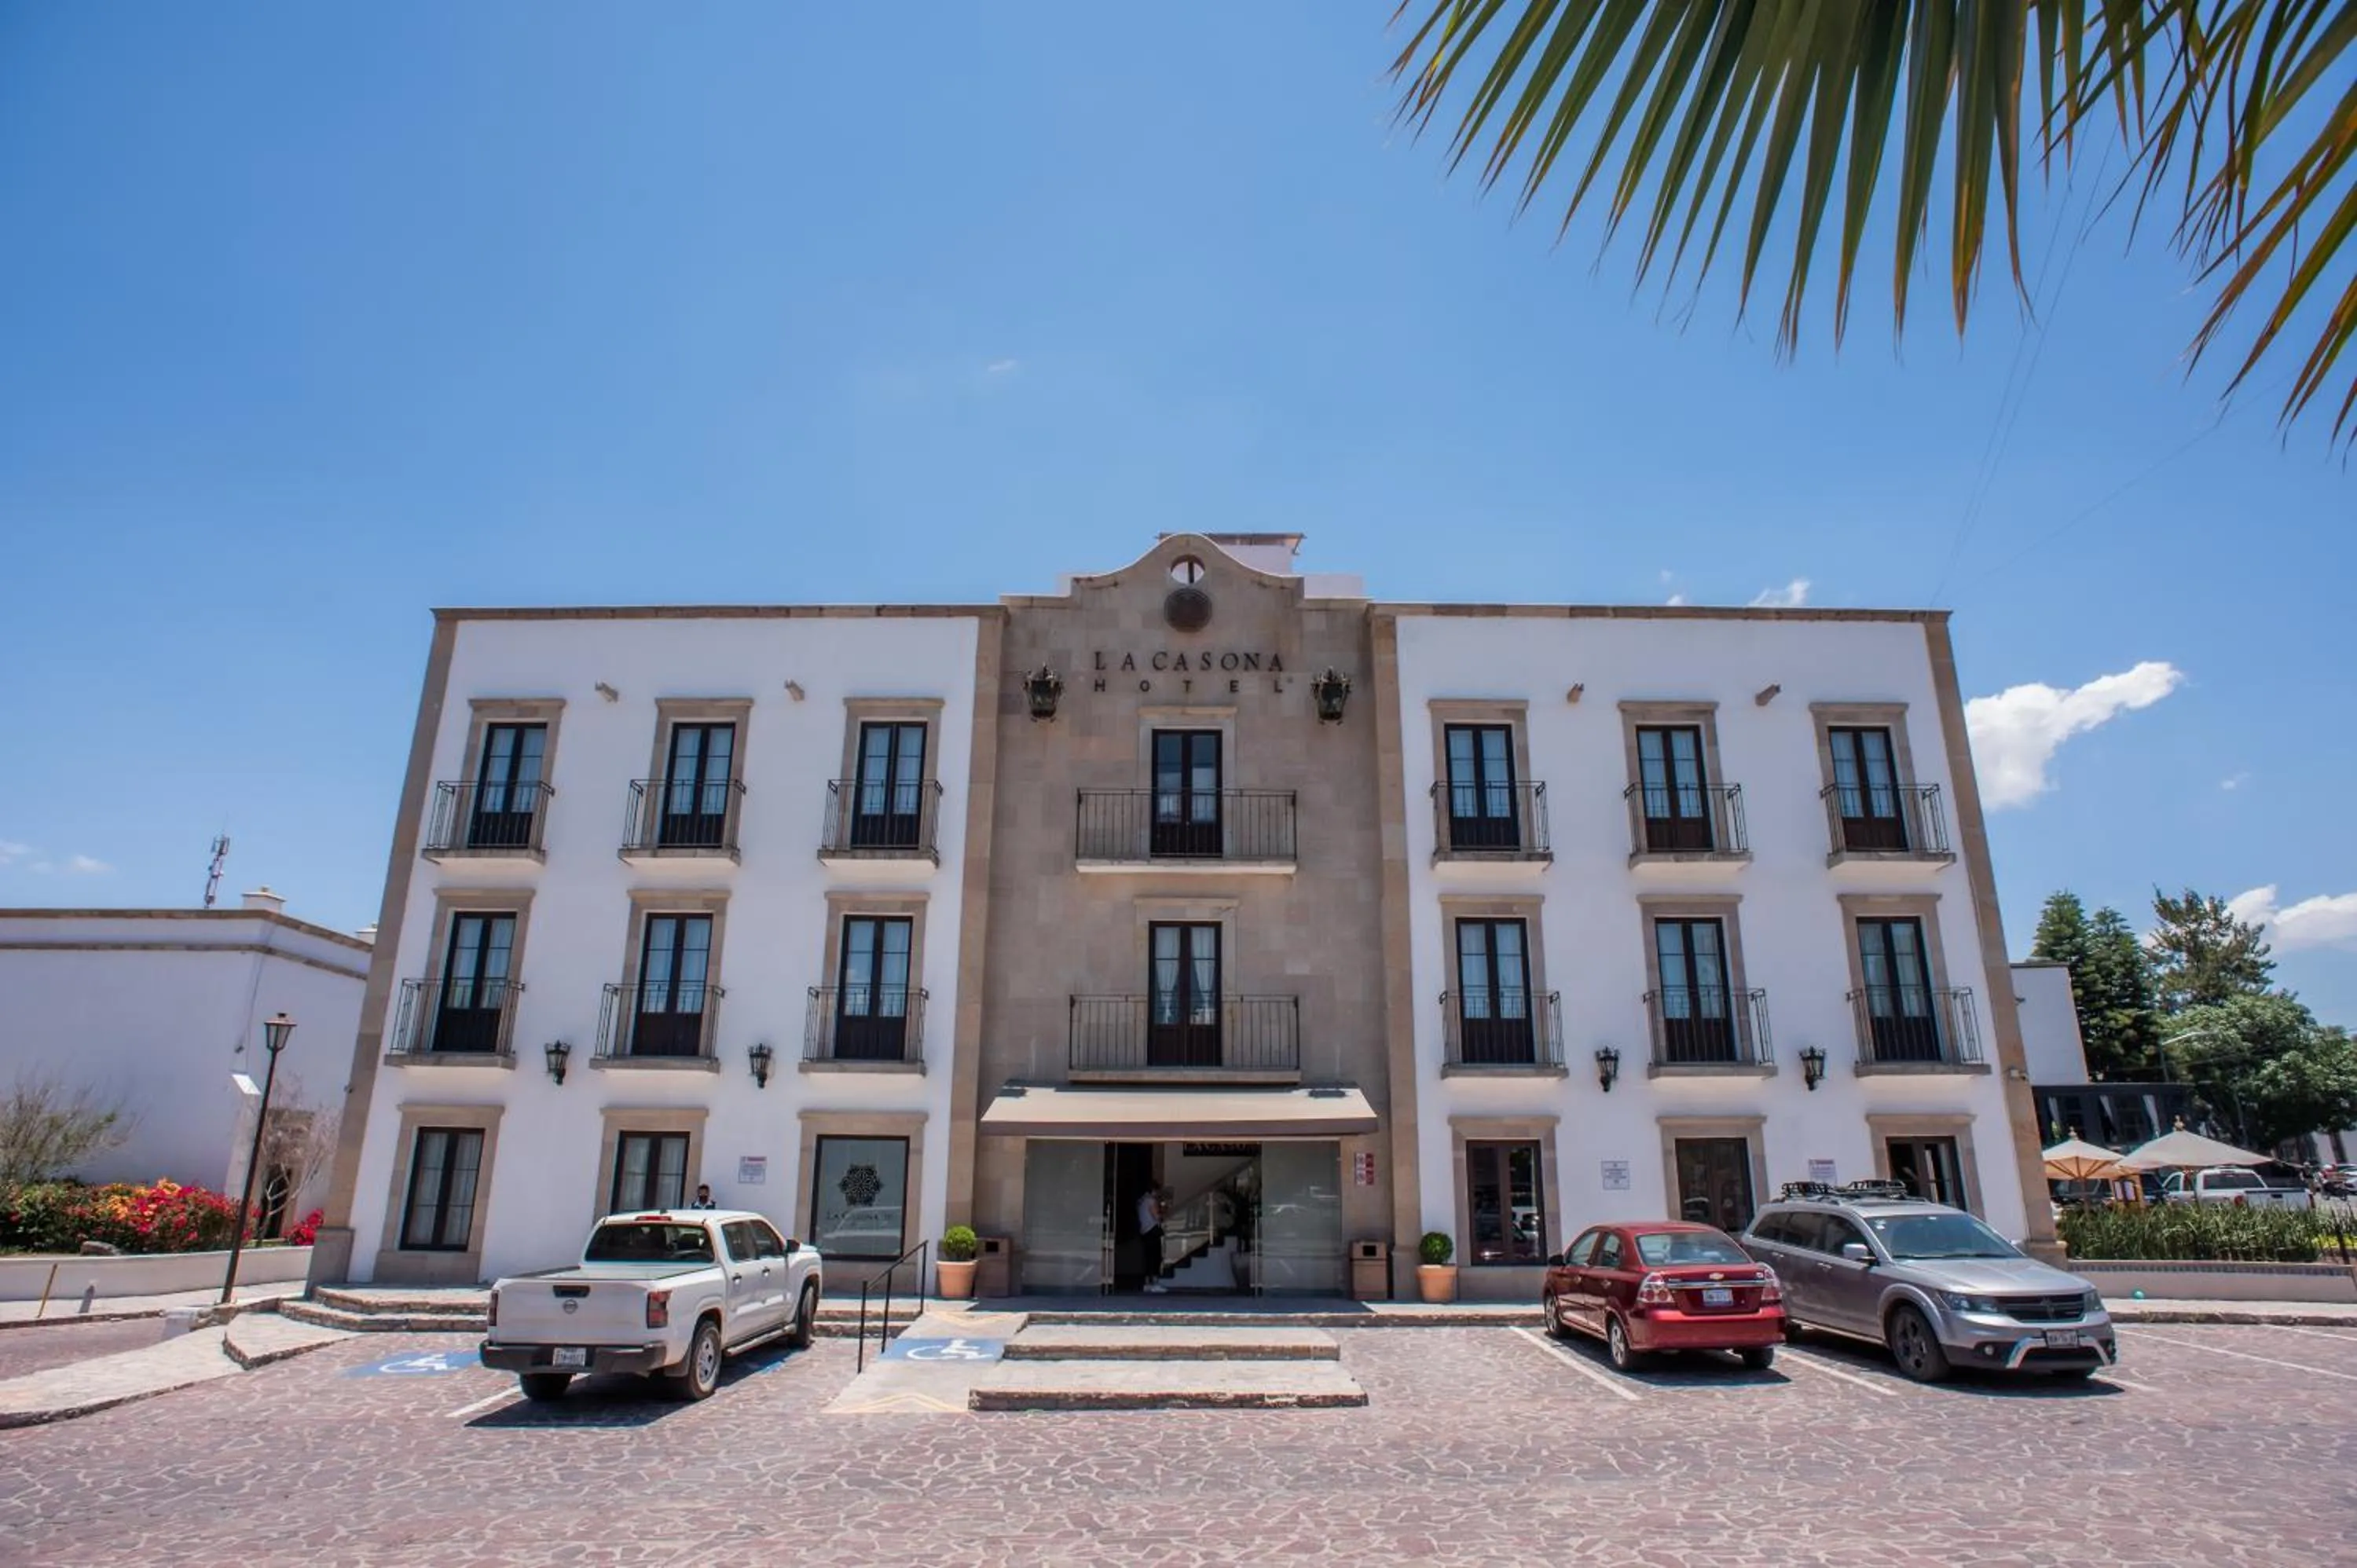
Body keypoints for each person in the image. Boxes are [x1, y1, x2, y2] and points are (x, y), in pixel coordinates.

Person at [1138, 1185, 1168, 1293]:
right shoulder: (1151, 1200)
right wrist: (1162, 1211)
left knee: (1148, 1256)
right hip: (1152, 1230)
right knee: (1155, 1256)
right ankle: (1154, 1282)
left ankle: (1147, 1282)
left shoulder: (1141, 1201)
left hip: (1144, 1231)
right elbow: (1156, 1216)